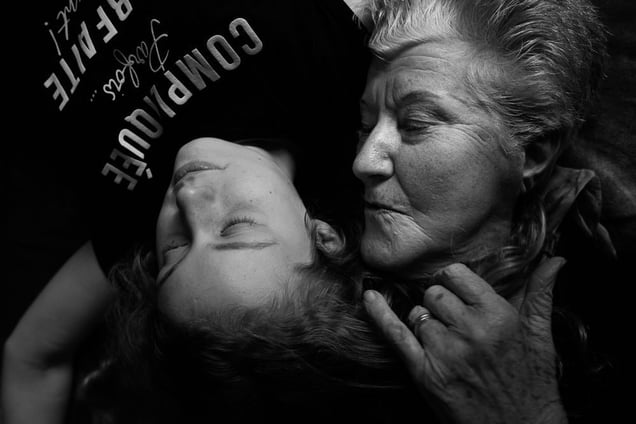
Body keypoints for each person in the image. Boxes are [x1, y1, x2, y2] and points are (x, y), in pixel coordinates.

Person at [3, 0, 372, 422]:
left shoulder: (133, 226)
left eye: (174, 251)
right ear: (323, 237)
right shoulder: (332, 72)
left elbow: (31, 359)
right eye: (235, 227)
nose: (188, 196)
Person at [352, 0, 628, 423]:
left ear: (532, 154)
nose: (364, 162)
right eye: (365, 125)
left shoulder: (611, 315)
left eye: (416, 123)